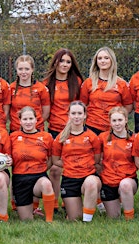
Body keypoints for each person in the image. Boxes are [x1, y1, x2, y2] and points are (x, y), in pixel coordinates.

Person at [42, 48, 84, 212]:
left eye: (68, 62)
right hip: (55, 130)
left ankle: (71, 200)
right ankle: (53, 203)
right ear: (55, 62)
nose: (65, 64)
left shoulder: (77, 81)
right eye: (62, 61)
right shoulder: (47, 83)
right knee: (54, 169)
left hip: (74, 131)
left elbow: (82, 106)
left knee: (74, 165)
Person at [52, 101, 102, 222]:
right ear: (68, 114)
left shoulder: (92, 136)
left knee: (91, 183)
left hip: (88, 176)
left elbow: (96, 159)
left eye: (79, 113)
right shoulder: (61, 137)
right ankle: (78, 211)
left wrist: (83, 164)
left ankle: (87, 221)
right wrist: (72, 164)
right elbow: (55, 160)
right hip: (69, 179)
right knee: (74, 218)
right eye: (73, 113)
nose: (76, 116)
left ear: (85, 115)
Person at [10, 106, 55, 222]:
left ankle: (49, 220)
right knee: (26, 220)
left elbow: (51, 158)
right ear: (19, 121)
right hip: (20, 179)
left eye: (31, 118)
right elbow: (8, 157)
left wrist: (41, 169)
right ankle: (29, 207)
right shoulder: (13, 137)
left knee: (46, 184)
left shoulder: (46, 137)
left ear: (36, 119)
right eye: (25, 119)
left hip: (38, 177)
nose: (28, 122)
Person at [80, 46, 133, 135]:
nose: (103, 61)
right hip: (92, 127)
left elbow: (128, 107)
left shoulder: (121, 84)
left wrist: (117, 119)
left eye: (106, 58)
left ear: (112, 60)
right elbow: (82, 105)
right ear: (96, 62)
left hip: (114, 128)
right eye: (99, 58)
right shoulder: (88, 82)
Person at [98, 107, 137, 220]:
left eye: (120, 120)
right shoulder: (103, 138)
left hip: (127, 180)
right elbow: (97, 160)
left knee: (125, 185)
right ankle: (104, 202)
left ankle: (129, 218)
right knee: (113, 218)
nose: (117, 123)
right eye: (114, 121)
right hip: (108, 181)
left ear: (126, 120)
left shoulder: (134, 139)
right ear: (110, 122)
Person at [9, 55, 50, 132]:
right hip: (16, 131)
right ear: (16, 70)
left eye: (27, 69)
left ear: (32, 69)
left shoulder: (41, 88)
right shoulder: (11, 88)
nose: (23, 72)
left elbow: (46, 113)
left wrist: (32, 125)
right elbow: (8, 112)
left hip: (36, 130)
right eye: (20, 69)